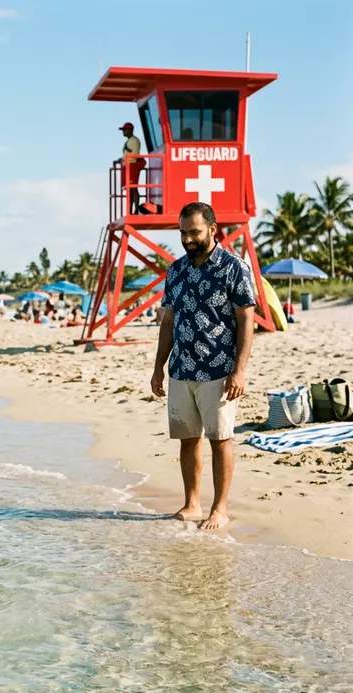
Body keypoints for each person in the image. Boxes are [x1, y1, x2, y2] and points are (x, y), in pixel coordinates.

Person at [150, 202, 256, 531]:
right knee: (187, 438)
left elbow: (246, 321)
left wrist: (239, 370)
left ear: (212, 229)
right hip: (181, 369)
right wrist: (158, 367)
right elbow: (167, 322)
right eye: (183, 232)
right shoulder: (176, 270)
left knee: (220, 438)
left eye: (194, 232)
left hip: (219, 370)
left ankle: (219, 509)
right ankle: (192, 503)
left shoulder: (233, 267)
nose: (187, 239)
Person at [114, 122, 146, 214]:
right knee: (129, 189)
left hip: (132, 166)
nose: (123, 132)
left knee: (133, 188)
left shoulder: (134, 141)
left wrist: (123, 160)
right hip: (127, 166)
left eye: (125, 130)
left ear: (130, 130)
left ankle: (136, 209)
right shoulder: (128, 141)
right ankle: (130, 210)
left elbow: (134, 155)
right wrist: (120, 160)